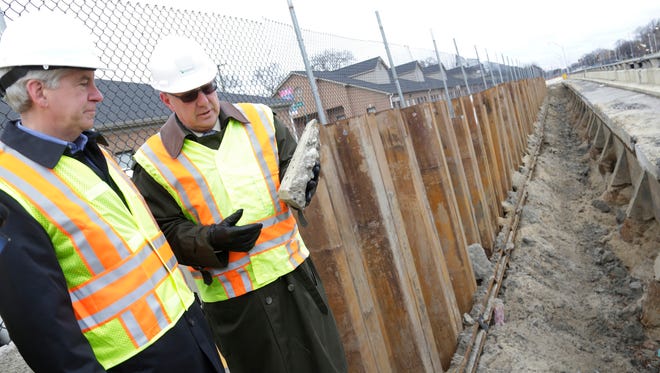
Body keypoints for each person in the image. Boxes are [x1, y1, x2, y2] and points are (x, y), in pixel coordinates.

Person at [0, 11, 224, 373]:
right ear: (38, 91)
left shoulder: (94, 151)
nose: (98, 95)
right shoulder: (9, 189)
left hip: (188, 338)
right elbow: (45, 334)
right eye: (84, 83)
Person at [132, 35, 348, 373]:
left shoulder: (261, 120)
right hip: (236, 304)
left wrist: (307, 182)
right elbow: (165, 232)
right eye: (189, 96)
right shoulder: (152, 162)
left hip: (295, 279)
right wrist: (211, 240)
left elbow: (297, 169)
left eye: (208, 87)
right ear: (165, 99)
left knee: (325, 366)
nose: (204, 101)